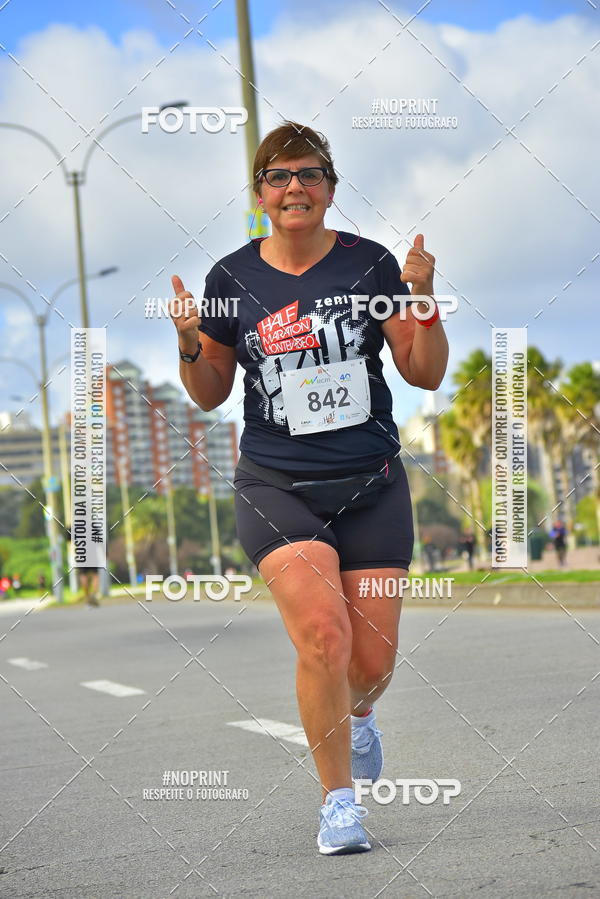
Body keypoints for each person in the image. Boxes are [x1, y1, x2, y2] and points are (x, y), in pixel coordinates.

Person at [170, 122, 448, 855]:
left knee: (371, 662)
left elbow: (423, 373)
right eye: (278, 176)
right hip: (276, 484)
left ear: (330, 186)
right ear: (260, 192)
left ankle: (359, 715)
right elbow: (210, 391)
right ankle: (338, 804)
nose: (294, 187)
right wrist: (191, 341)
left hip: (372, 484)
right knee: (324, 634)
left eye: (309, 174)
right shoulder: (232, 278)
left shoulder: (373, 264)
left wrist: (422, 296)